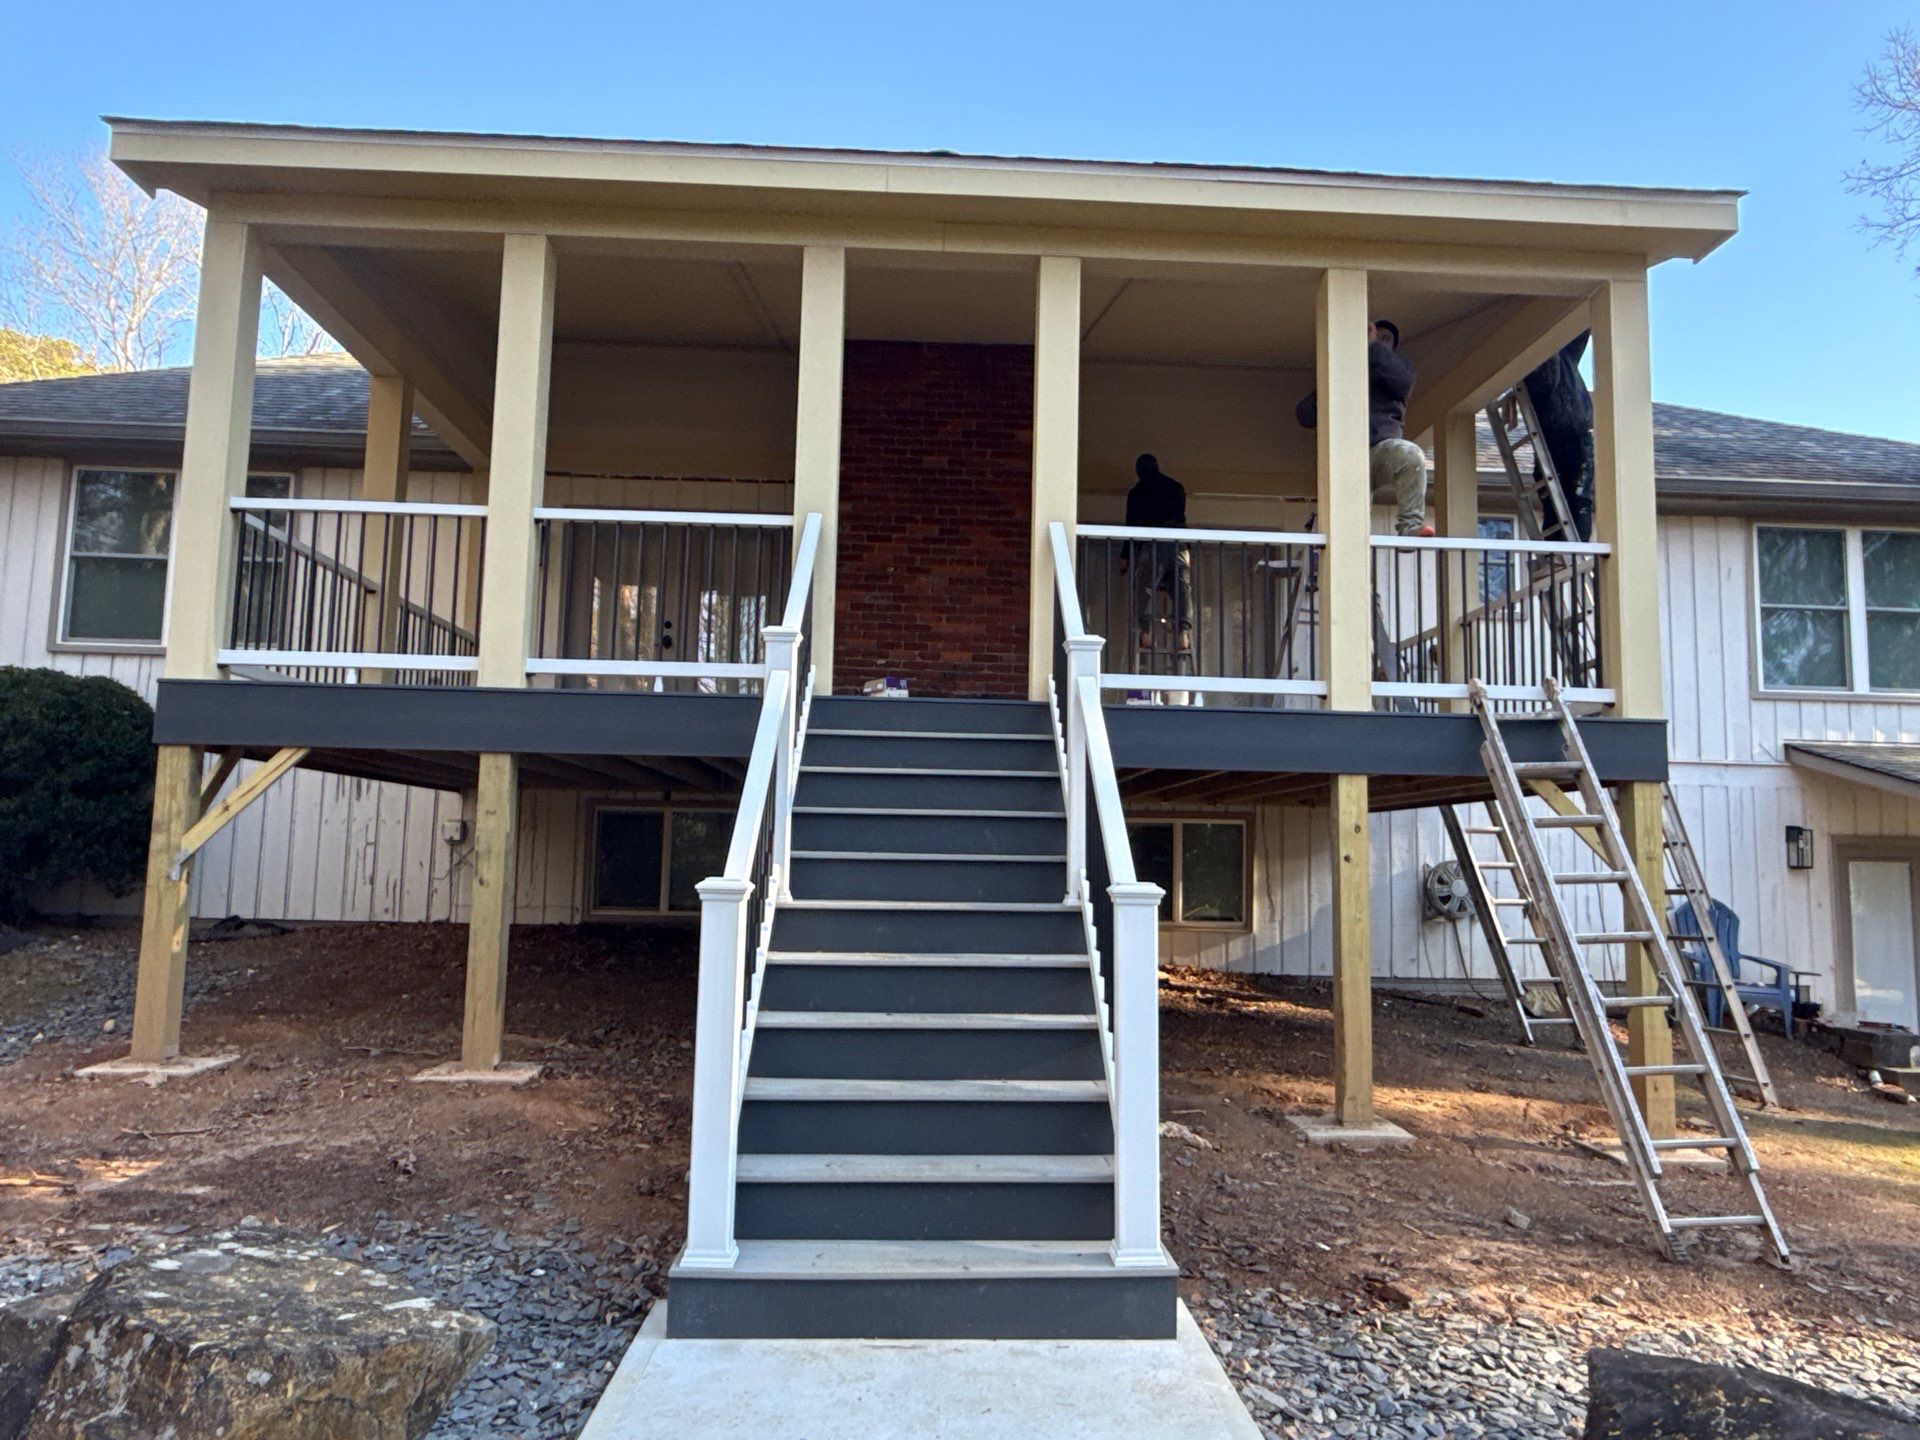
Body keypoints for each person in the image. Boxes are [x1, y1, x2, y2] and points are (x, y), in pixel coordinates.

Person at [1295, 318, 1432, 536]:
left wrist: (1373, 346)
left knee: (1410, 455)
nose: (1378, 339)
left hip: (1382, 449)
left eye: (1385, 338)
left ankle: (1410, 526)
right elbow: (1305, 416)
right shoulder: (1342, 374)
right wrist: (1325, 390)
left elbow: (1402, 382)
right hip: (1347, 455)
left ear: (1393, 347)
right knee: (1351, 523)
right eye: (1375, 335)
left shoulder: (1400, 368)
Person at [1519, 331, 1594, 542]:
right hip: (1550, 440)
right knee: (1554, 502)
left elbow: (1580, 326)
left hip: (1574, 436)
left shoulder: (1564, 355)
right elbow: (1546, 380)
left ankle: (1575, 549)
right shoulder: (1538, 372)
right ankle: (1557, 552)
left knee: (1578, 498)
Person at [1121, 453, 1193, 664]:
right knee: (1182, 585)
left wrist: (1125, 555)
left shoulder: (1137, 493)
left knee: (1144, 584)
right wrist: (1186, 549)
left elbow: (1131, 527)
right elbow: (1180, 519)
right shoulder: (1174, 487)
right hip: (1175, 545)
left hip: (1153, 547)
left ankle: (1147, 632)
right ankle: (1182, 633)